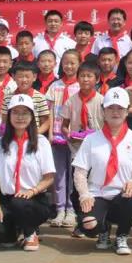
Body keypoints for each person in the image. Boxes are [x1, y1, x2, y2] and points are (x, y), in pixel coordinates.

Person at [72, 88, 132, 255]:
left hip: (122, 195)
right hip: (97, 194)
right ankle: (103, 230)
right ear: (103, 111)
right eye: (110, 108)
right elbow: (79, 171)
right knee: (89, 226)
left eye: (120, 108)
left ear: (127, 111)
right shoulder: (91, 139)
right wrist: (84, 195)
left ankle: (122, 235)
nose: (115, 112)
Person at [0, 94, 56, 251]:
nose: (20, 117)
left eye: (25, 113)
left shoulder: (41, 143)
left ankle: (30, 232)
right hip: (7, 199)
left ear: (32, 116)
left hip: (33, 199)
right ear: (8, 116)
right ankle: (13, 232)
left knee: (19, 203)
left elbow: (49, 178)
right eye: (15, 112)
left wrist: (32, 191)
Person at [45, 48, 82, 228]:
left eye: (73, 63)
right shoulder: (55, 86)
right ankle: (60, 208)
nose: (69, 66)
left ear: (79, 64)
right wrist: (50, 133)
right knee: (59, 174)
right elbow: (50, 111)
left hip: (75, 137)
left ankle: (72, 209)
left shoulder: (81, 86)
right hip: (57, 135)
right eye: (66, 63)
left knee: (75, 174)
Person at [61, 62, 105, 156]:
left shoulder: (102, 101)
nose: (85, 79)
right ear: (77, 79)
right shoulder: (70, 101)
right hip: (77, 148)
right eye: (82, 76)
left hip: (98, 146)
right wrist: (68, 134)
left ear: (97, 79)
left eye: (89, 76)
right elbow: (64, 125)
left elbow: (108, 124)